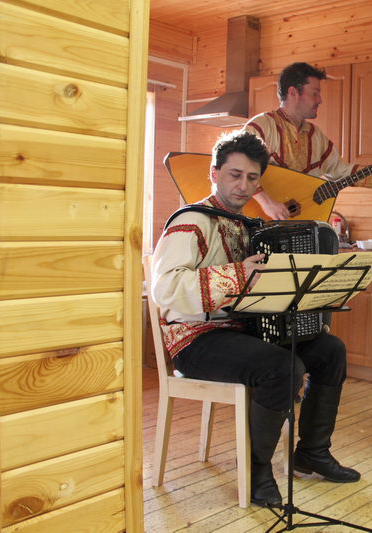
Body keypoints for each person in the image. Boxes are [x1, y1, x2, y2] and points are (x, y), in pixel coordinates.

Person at [152, 129, 360, 507]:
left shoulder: (246, 223)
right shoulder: (191, 221)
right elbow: (165, 288)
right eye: (235, 175)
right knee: (281, 367)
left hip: (242, 332)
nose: (243, 186)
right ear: (214, 173)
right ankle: (256, 470)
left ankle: (312, 452)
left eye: (252, 178)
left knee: (329, 349)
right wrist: (236, 275)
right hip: (194, 338)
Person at [243, 62, 372, 219]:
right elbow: (237, 167)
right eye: (314, 93)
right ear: (293, 92)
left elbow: (342, 172)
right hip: (254, 222)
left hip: (298, 225)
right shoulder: (261, 126)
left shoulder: (316, 136)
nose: (320, 100)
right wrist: (266, 203)